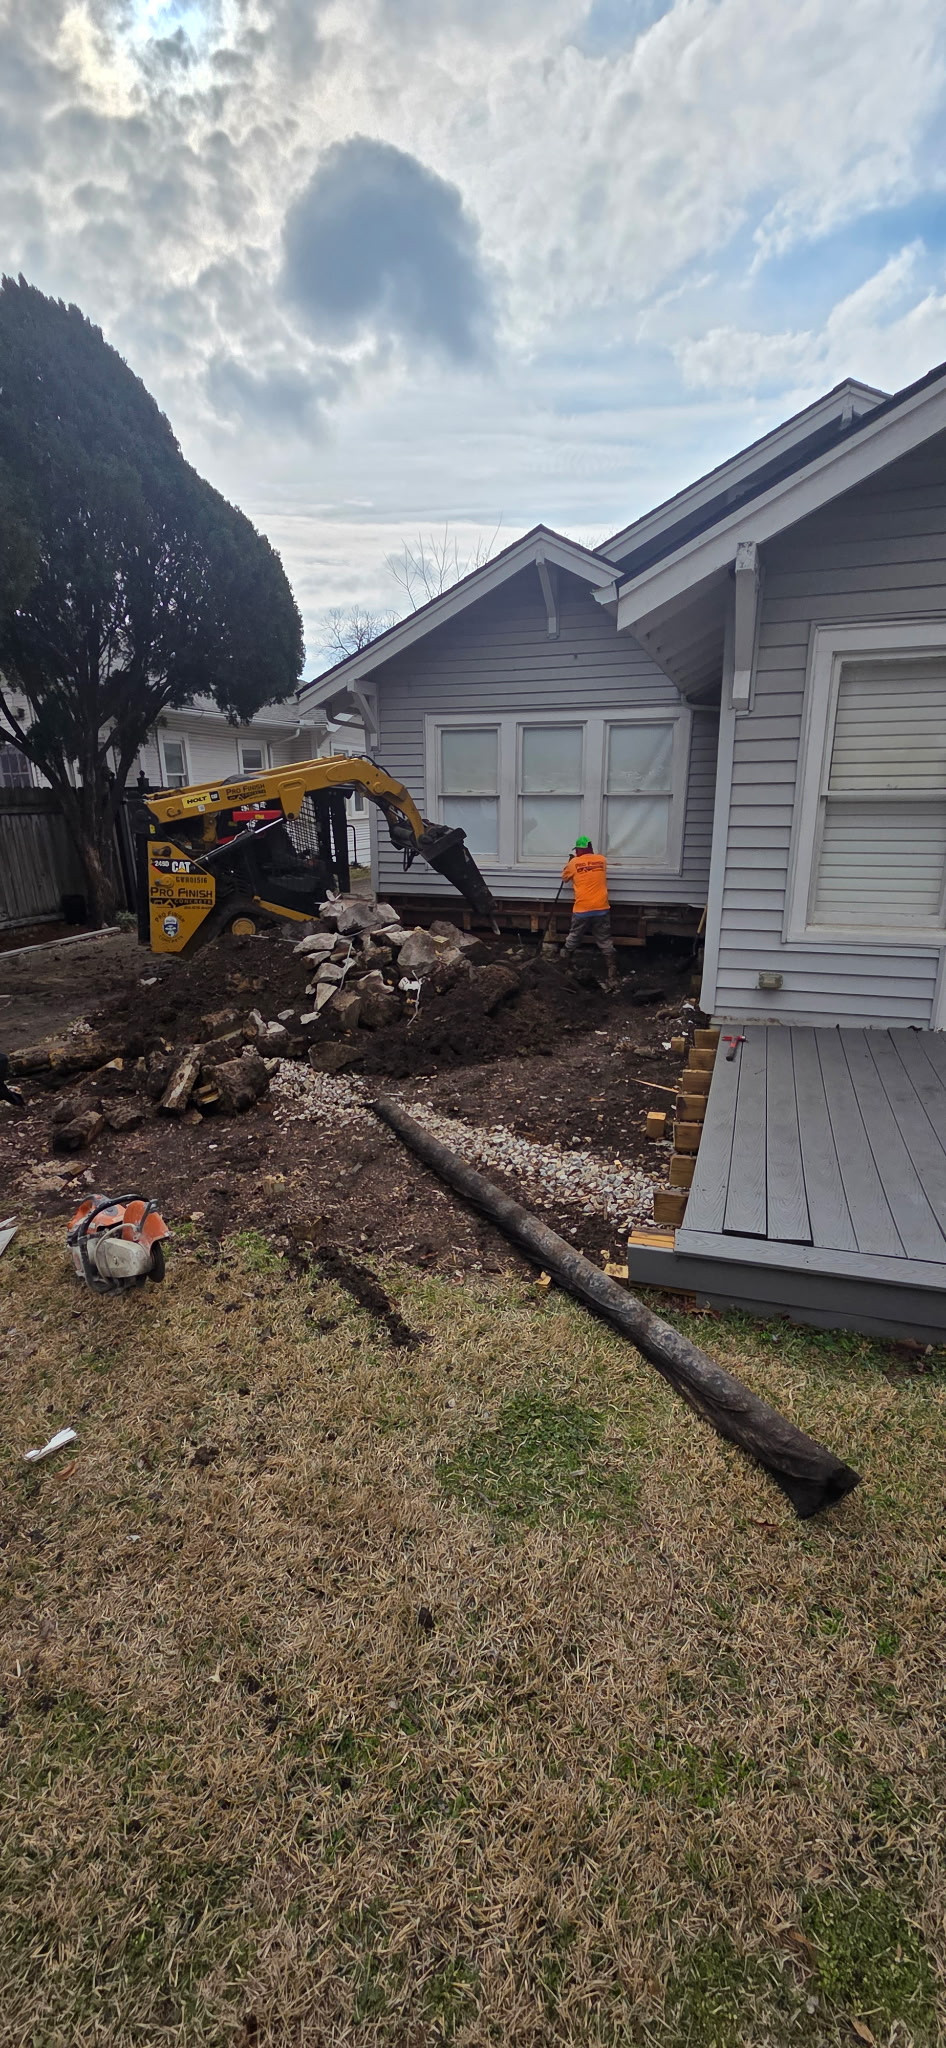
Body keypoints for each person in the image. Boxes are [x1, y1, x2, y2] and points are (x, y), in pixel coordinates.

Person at [560, 836, 619, 989]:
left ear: (579, 849)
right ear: (591, 848)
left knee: (573, 937)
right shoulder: (602, 860)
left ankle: (564, 968)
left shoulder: (574, 862)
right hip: (602, 908)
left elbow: (565, 878)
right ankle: (612, 976)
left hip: (582, 910)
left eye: (577, 850)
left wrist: (571, 862)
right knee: (605, 940)